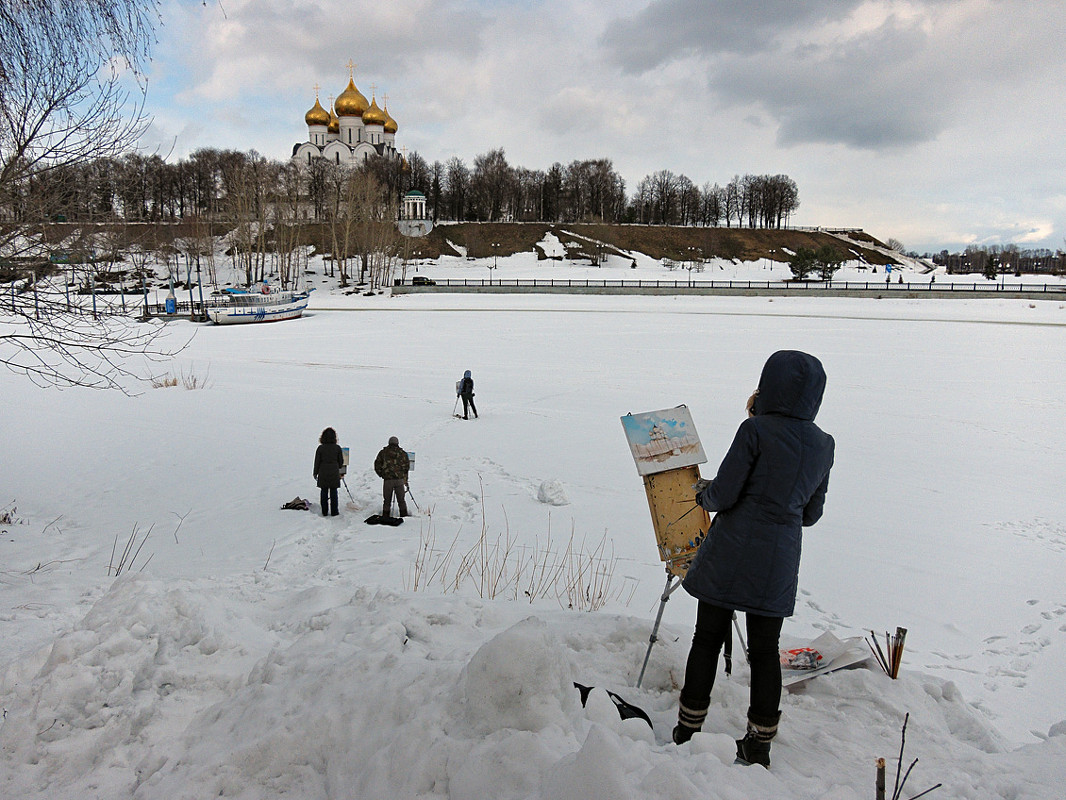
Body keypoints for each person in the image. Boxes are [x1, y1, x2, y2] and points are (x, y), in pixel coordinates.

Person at [672, 350, 835, 769]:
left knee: (706, 639)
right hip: (778, 560)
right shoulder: (823, 444)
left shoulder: (755, 430)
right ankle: (759, 745)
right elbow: (811, 514)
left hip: (730, 551)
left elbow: (724, 494)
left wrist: (702, 495)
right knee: (765, 651)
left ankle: (688, 731)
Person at [374, 436, 410, 518]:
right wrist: (404, 478)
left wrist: (382, 474)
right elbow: (406, 467)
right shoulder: (403, 453)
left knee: (387, 500)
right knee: (401, 500)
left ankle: (386, 516)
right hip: (399, 480)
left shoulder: (383, 453)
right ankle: (404, 516)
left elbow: (377, 465)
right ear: (397, 443)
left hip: (388, 480)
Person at [313, 427, 345, 517]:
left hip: (323, 472)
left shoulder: (320, 448)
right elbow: (341, 462)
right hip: (334, 472)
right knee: (333, 492)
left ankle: (324, 511)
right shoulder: (337, 448)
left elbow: (317, 462)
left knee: (324, 491)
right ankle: (334, 511)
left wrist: (315, 473)